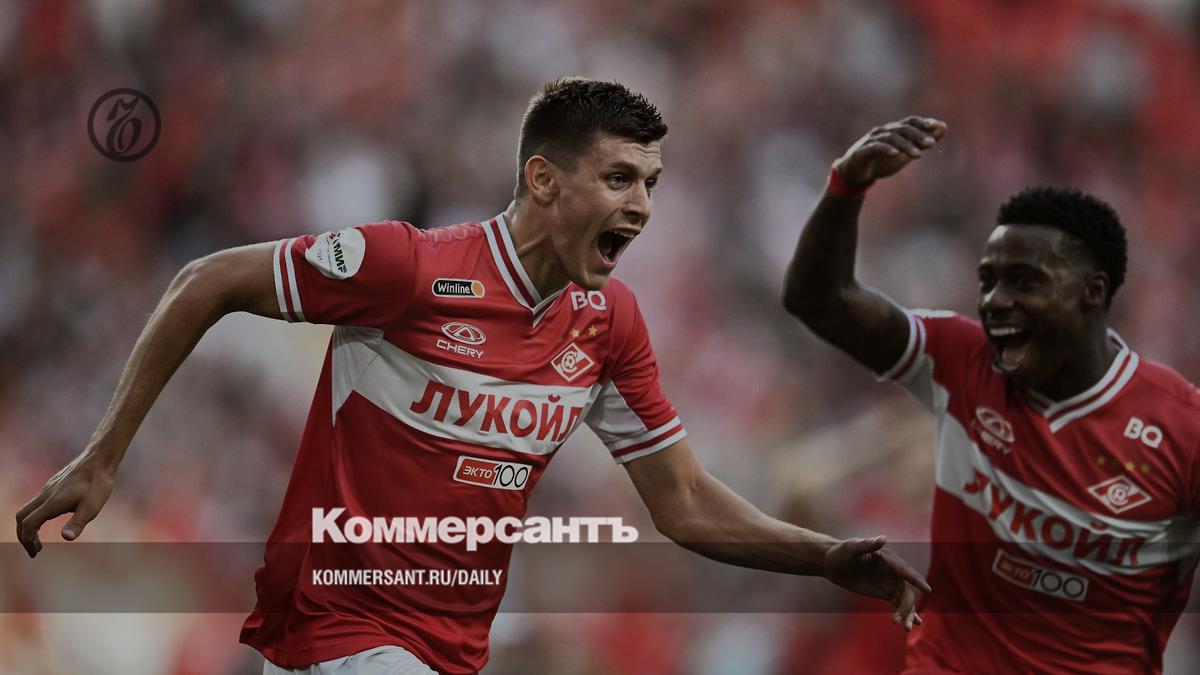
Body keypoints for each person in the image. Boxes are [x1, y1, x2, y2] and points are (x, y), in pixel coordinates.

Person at [15, 78, 928, 675]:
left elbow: (684, 501)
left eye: (651, 182)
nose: (643, 206)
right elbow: (206, 279)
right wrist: (103, 456)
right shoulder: (407, 270)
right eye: (620, 178)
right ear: (544, 180)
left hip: (448, 654)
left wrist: (822, 555)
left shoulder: (607, 327)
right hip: (338, 635)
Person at [782, 116, 1200, 674]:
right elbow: (818, 300)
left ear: (1092, 293)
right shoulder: (961, 359)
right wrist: (845, 186)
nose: (996, 301)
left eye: (1025, 282)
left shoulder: (1182, 429)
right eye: (989, 281)